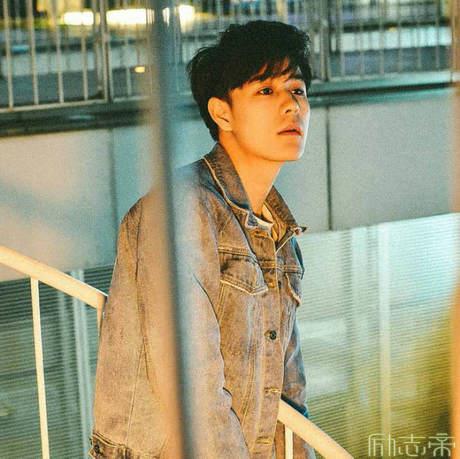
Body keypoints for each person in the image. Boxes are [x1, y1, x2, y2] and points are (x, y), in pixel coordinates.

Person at [89, 20, 315, 459]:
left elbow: (288, 395)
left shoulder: (279, 232)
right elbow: (193, 390)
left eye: (298, 90)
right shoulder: (179, 211)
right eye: (266, 90)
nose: (291, 105)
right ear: (222, 113)